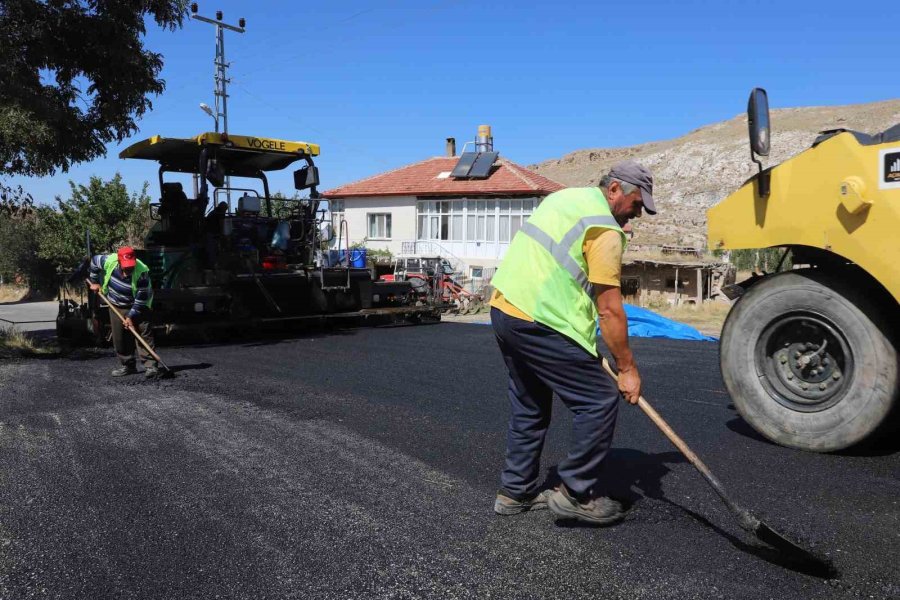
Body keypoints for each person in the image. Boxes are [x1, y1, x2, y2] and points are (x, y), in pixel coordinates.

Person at [489, 159, 657, 525]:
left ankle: (514, 493)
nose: (637, 214)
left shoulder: (564, 199)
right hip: (541, 319)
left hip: (505, 310)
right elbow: (609, 309)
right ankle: (575, 494)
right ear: (615, 189)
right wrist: (627, 368)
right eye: (636, 204)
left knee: (530, 406)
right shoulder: (603, 228)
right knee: (598, 399)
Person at [88, 246, 158, 377]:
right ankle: (128, 365)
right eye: (126, 267)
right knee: (120, 337)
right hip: (116, 304)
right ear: (119, 262)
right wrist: (95, 281)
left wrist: (130, 316)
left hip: (139, 305)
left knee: (144, 334)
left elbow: (141, 299)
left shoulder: (142, 273)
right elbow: (94, 261)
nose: (128, 269)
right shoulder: (109, 261)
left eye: (131, 266)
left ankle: (151, 366)